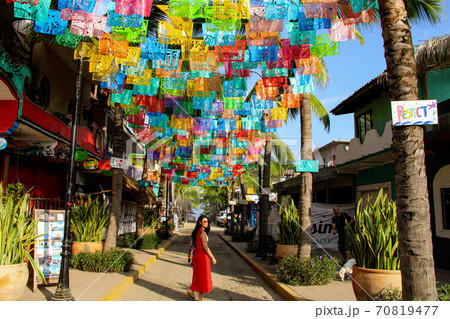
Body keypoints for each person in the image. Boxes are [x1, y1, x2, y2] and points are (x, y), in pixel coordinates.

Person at [186, 215, 217, 301]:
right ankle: (200, 298)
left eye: (207, 221)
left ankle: (191, 290)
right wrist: (212, 257)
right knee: (203, 276)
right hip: (202, 256)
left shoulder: (195, 232)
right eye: (204, 221)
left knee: (197, 275)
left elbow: (191, 244)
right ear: (200, 223)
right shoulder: (202, 233)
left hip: (196, 254)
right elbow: (205, 247)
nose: (206, 223)